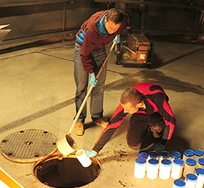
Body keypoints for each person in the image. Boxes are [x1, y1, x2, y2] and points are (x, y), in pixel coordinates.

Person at [74, 8, 126, 136]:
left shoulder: (121, 20)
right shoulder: (92, 29)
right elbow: (84, 55)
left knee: (100, 85)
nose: (112, 31)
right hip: (83, 48)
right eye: (110, 28)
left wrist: (118, 34)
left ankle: (97, 116)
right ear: (105, 20)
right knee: (82, 86)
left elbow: (119, 27)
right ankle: (79, 120)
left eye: (115, 29)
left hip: (100, 49)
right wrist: (91, 72)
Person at [90, 83, 176, 154]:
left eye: (127, 109)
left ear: (138, 105)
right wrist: (95, 150)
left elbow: (170, 121)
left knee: (156, 125)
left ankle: (155, 134)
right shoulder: (128, 102)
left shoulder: (157, 98)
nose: (124, 111)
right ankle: (148, 129)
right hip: (139, 112)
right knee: (133, 144)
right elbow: (112, 126)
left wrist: (163, 143)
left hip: (155, 112)